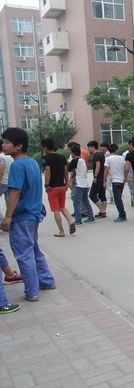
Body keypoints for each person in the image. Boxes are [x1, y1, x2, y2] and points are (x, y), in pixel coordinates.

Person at [1, 127, 56, 303]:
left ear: (19, 146)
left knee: (24, 254)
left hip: (21, 216)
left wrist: (7, 216)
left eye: (7, 142)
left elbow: (15, 192)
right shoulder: (32, 162)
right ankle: (46, 280)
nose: (3, 145)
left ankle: (31, 291)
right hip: (33, 214)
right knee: (33, 249)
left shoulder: (17, 165)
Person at [41, 138, 75, 237]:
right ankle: (70, 221)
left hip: (52, 187)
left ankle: (61, 231)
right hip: (61, 186)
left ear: (46, 147)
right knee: (62, 207)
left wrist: (47, 185)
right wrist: (66, 183)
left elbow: (48, 171)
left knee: (56, 209)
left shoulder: (45, 158)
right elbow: (66, 171)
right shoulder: (62, 157)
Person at [68, 145, 95, 226]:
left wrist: (68, 162)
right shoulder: (82, 160)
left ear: (73, 153)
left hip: (79, 185)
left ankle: (78, 220)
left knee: (76, 203)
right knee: (86, 202)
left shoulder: (75, 161)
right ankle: (91, 217)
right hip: (85, 184)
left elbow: (69, 169)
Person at [103, 144, 127, 222]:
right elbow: (125, 168)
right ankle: (122, 213)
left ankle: (122, 215)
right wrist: (125, 177)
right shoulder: (121, 158)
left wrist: (104, 181)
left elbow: (106, 170)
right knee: (119, 198)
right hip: (122, 180)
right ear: (116, 150)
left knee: (117, 199)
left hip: (115, 181)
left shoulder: (108, 159)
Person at [87, 141, 107, 218]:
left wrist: (95, 176)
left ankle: (102, 211)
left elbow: (98, 166)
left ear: (93, 147)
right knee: (102, 195)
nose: (88, 149)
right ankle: (103, 212)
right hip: (102, 177)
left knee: (92, 195)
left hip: (98, 178)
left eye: (89, 147)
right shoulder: (101, 154)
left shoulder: (96, 155)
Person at [0, 143, 14, 219]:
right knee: (9, 203)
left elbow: (1, 171)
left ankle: (1, 219)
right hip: (10, 182)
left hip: (2, 182)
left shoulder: (1, 157)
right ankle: (11, 219)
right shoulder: (11, 156)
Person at [121, 140, 134, 208]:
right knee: (132, 190)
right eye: (132, 144)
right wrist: (125, 176)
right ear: (129, 145)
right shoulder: (125, 154)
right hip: (130, 174)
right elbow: (124, 166)